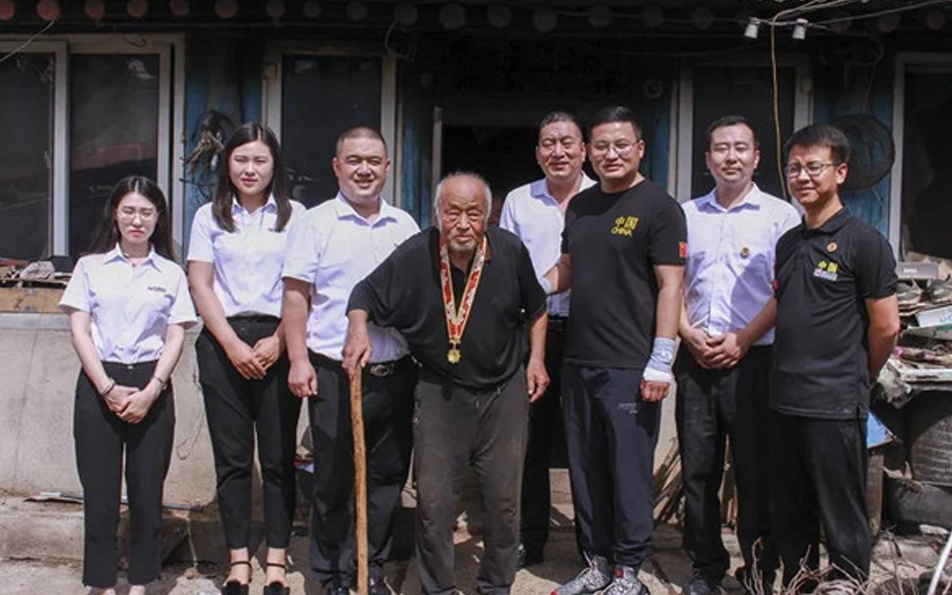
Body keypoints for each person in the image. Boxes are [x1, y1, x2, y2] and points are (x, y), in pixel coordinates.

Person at [342, 172, 549, 595]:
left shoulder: (509, 250)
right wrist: (358, 330)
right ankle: (437, 588)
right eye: (453, 213)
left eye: (474, 213)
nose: (463, 224)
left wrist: (537, 361)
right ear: (437, 215)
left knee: (504, 502)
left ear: (488, 216)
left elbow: (538, 307)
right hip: (440, 390)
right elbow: (363, 294)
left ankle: (496, 586)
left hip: (503, 391)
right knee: (434, 504)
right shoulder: (416, 253)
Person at [542, 106, 687, 595]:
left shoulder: (660, 208)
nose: (611, 154)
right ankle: (597, 563)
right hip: (579, 358)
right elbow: (568, 266)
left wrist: (661, 359)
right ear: (588, 152)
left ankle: (628, 571)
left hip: (630, 363)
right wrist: (531, 287)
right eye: (601, 146)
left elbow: (671, 286)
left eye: (621, 145)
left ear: (640, 148)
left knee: (628, 472)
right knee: (585, 470)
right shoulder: (581, 206)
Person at [281, 126, 419, 595]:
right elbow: (296, 296)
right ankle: (333, 574)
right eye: (354, 160)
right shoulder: (315, 223)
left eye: (373, 161)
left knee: (387, 478)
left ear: (387, 168)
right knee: (334, 479)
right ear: (337, 166)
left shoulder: (404, 226)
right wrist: (298, 360)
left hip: (395, 373)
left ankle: (370, 566)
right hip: (335, 372)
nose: (364, 169)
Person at [770, 124, 899, 588]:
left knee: (840, 507)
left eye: (813, 167)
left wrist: (862, 374)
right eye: (794, 168)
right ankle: (799, 581)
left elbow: (887, 325)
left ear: (840, 172)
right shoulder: (788, 242)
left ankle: (847, 581)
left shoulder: (864, 242)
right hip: (784, 397)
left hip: (835, 400)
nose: (802, 177)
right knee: (790, 508)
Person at [677, 115, 799, 595]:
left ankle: (757, 569)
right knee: (697, 472)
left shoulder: (780, 217)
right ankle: (706, 566)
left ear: (756, 158)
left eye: (740, 148)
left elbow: (785, 292)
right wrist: (686, 333)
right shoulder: (685, 215)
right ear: (707, 159)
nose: (731, 157)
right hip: (696, 359)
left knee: (755, 472)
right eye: (721, 148)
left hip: (755, 361)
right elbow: (669, 284)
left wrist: (743, 340)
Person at [60, 176, 197, 595]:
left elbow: (175, 334)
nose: (137, 221)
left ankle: (140, 582)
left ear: (159, 218)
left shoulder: (171, 273)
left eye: (146, 213)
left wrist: (153, 388)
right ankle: (101, 583)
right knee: (100, 493)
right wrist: (106, 387)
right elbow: (80, 330)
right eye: (129, 211)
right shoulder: (90, 267)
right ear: (115, 215)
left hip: (152, 383)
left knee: (146, 492)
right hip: (100, 381)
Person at [188, 122, 306, 595]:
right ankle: (238, 560)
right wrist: (231, 345)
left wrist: (281, 340)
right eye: (241, 159)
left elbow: (302, 285)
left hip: (280, 339)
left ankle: (276, 559)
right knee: (233, 460)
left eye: (260, 160)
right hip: (224, 342)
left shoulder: (296, 217)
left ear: (274, 165)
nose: (250, 169)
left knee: (277, 459)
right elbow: (200, 285)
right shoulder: (208, 217)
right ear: (228, 164)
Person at [499, 110, 595, 567]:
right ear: (537, 153)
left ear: (584, 150)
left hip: (589, 331)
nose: (558, 151)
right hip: (531, 332)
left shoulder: (604, 197)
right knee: (529, 439)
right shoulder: (520, 201)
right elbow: (505, 267)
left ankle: (593, 544)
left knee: (587, 439)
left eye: (567, 142)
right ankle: (528, 536)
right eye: (548, 143)